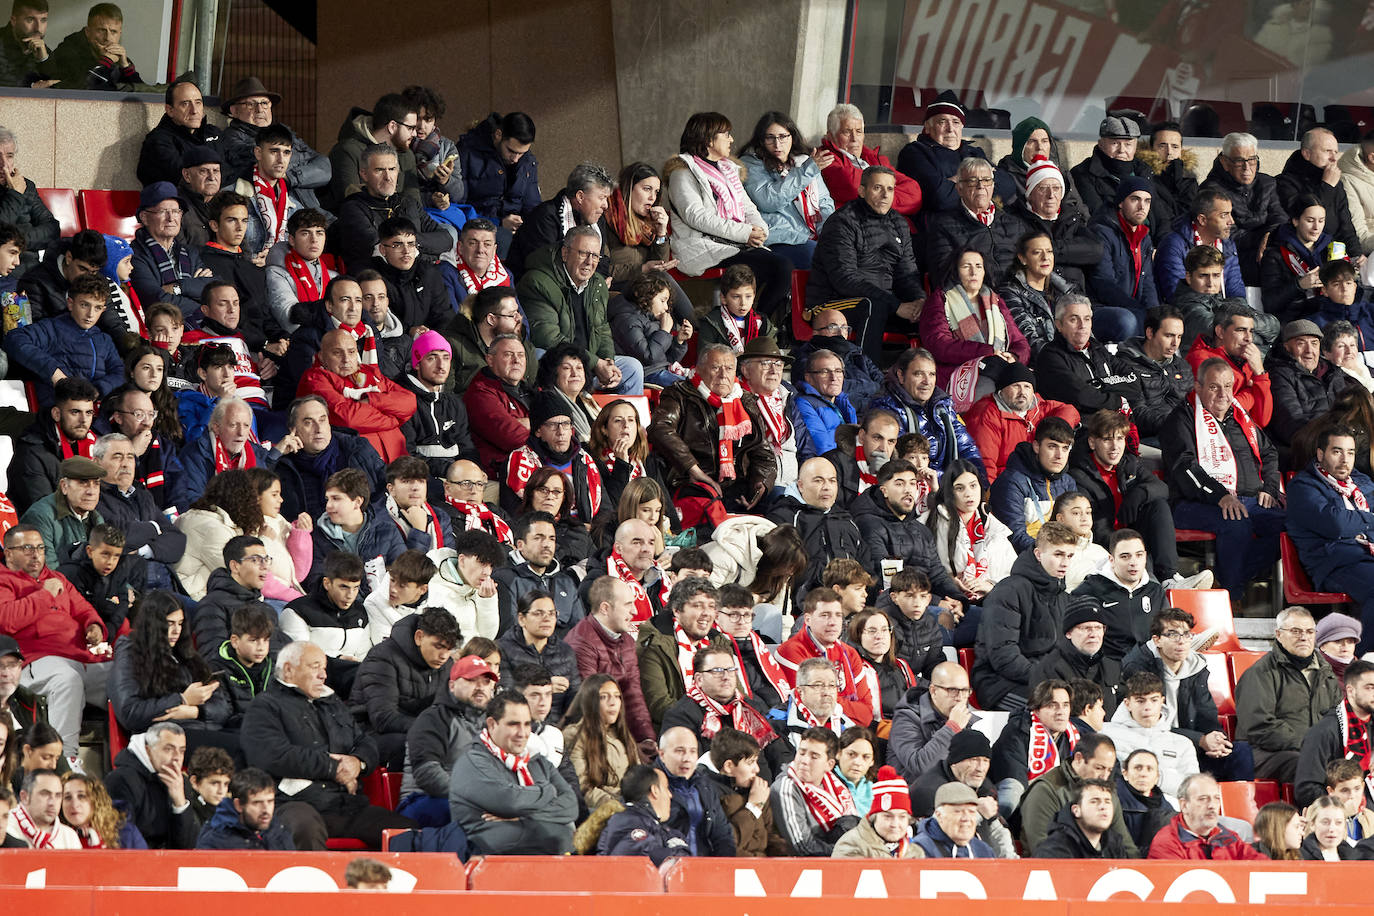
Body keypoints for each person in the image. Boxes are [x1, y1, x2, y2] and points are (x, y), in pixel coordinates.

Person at [242, 641, 412, 849]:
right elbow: (273, 756)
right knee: (304, 828)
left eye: (324, 668)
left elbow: (365, 742)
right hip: (292, 803)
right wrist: (334, 768)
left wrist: (358, 763)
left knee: (406, 832)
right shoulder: (265, 706)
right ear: (288, 669)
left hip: (344, 804)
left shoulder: (332, 702)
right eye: (315, 667)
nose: (323, 674)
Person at [1163, 356, 1284, 600]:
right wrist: (1220, 497)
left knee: (1293, 525)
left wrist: (1270, 488)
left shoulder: (1240, 417)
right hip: (1192, 502)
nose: (1222, 394)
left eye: (1228, 386)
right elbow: (1185, 468)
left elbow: (1269, 452)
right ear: (1198, 388)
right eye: (1214, 386)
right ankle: (1232, 595)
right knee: (1236, 523)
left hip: (1247, 499)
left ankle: (1225, 580)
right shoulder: (1181, 419)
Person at [663, 112, 793, 322]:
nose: (732, 139)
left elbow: (748, 208)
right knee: (779, 266)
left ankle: (751, 324)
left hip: (733, 244)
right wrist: (745, 233)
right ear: (708, 138)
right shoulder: (682, 173)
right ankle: (753, 325)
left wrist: (759, 230)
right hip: (703, 247)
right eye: (726, 134)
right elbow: (696, 216)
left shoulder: (728, 170)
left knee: (781, 267)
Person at [0, 523, 109, 763]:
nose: (36, 554)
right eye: (27, 548)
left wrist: (94, 626)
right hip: (34, 661)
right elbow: (6, 621)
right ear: (8, 553)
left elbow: (83, 609)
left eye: (40, 547)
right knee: (67, 679)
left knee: (124, 676)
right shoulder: (4, 580)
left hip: (78, 657)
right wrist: (44, 594)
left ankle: (132, 752)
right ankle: (63, 761)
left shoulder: (56, 577)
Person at [649, 344, 776, 524]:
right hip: (694, 484)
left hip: (737, 487)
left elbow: (762, 451)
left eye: (729, 368)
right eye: (716, 368)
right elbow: (660, 428)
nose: (723, 375)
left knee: (780, 501)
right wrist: (693, 469)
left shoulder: (744, 399)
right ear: (699, 369)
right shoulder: (680, 394)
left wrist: (761, 483)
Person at [807, 166, 924, 358]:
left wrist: (919, 300)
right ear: (862, 191)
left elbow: (907, 273)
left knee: (934, 311)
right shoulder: (843, 221)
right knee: (872, 306)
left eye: (890, 189)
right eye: (878, 188)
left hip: (884, 300)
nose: (885, 195)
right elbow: (845, 280)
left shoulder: (899, 223)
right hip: (832, 302)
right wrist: (895, 305)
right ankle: (868, 376)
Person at [448, 690, 577, 855]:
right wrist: (548, 790)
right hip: (481, 852)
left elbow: (571, 805)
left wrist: (524, 818)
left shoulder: (537, 761)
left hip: (528, 851)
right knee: (558, 835)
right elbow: (510, 801)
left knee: (563, 835)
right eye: (513, 724)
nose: (522, 733)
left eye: (527, 724)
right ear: (492, 724)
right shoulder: (472, 762)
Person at [971, 520, 1078, 711]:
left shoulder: (1064, 598)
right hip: (1000, 684)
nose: (1066, 563)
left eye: (1070, 556)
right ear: (1038, 554)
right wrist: (1048, 681)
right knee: (1058, 711)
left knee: (1091, 705)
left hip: (1048, 683)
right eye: (1058, 554)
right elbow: (1003, 656)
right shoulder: (1009, 590)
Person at [1288, 425, 1374, 652]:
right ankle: (1360, 662)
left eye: (1351, 453)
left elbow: (1345, 522)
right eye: (1337, 452)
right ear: (1320, 454)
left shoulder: (1362, 483)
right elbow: (1334, 524)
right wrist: (1368, 520)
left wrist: (1357, 523)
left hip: (1366, 556)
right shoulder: (1303, 486)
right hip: (1335, 562)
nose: (1345, 460)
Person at [108, 590, 230, 744]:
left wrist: (195, 711)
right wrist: (182, 699)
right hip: (163, 738)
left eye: (180, 623)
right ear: (153, 624)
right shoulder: (131, 652)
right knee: (242, 749)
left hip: (200, 727)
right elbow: (130, 713)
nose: (176, 631)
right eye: (169, 623)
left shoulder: (185, 653)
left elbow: (223, 707)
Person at [1235, 606, 1341, 784]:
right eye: (1295, 631)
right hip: (1265, 752)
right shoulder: (1260, 673)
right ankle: (1315, 811)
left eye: (1309, 631)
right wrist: (1310, 746)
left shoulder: (1326, 673)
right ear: (1278, 634)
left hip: (1314, 751)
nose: (1304, 637)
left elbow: (1338, 718)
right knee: (1307, 766)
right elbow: (1259, 726)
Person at [350, 606, 459, 770]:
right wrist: (431, 729)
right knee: (424, 743)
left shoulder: (446, 665)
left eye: (449, 649)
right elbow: (383, 718)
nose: (444, 655)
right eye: (438, 646)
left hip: (416, 728)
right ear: (419, 637)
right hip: (367, 734)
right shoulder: (383, 657)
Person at [397, 653, 496, 827]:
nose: (480, 687)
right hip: (422, 801)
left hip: (472, 801)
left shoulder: (494, 722)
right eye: (472, 680)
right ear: (452, 685)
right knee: (475, 816)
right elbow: (427, 773)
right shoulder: (432, 718)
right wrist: (473, 798)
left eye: (486, 682)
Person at [919, 246, 1030, 395]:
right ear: (955, 271)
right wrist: (986, 353)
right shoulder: (941, 299)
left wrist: (1014, 356)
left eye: (978, 266)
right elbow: (938, 344)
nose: (974, 272)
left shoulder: (995, 300)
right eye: (966, 266)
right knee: (989, 390)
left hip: (1000, 368)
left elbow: (1020, 343)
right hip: (959, 374)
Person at [296, 327, 416, 463]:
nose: (346, 359)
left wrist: (371, 400)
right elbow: (348, 418)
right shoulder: (315, 378)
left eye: (351, 352)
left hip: (399, 460)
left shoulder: (369, 371)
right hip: (359, 466)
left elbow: (410, 401)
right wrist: (394, 419)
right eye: (337, 353)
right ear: (322, 357)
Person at [6, 273, 123, 409]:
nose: (90, 314)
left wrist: (97, 390)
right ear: (70, 303)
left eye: (97, 308)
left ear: (103, 310)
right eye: (85, 305)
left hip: (93, 414)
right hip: (54, 412)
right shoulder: (52, 328)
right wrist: (54, 372)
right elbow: (14, 339)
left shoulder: (104, 340)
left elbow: (119, 372)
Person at [565, 576, 657, 747]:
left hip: (618, 732)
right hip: (591, 738)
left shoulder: (627, 640)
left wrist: (646, 739)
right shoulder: (581, 642)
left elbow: (633, 694)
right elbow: (589, 705)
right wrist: (629, 746)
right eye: (628, 605)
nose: (635, 612)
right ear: (605, 608)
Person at [737, 111, 834, 270]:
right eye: (770, 138)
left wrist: (828, 235)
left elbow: (824, 204)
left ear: (792, 137)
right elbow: (769, 201)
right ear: (761, 140)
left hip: (808, 237)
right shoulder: (750, 164)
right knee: (816, 258)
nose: (777, 144)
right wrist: (806, 172)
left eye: (783, 137)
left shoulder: (803, 162)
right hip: (776, 238)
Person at [335, 144, 450, 274]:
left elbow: (446, 239)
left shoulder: (408, 203)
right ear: (364, 174)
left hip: (417, 276)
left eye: (392, 169)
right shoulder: (352, 208)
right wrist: (424, 252)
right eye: (379, 170)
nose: (388, 177)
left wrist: (411, 243)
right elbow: (381, 252)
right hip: (377, 281)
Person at [869, 347, 984, 476]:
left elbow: (967, 448)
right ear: (901, 376)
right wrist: (950, 481)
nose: (927, 381)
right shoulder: (885, 409)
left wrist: (978, 481)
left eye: (932, 374)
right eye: (918, 374)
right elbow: (898, 465)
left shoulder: (944, 406)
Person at [896, 90, 1011, 219]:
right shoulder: (915, 153)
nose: (950, 129)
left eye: (955, 122)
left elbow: (1007, 187)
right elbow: (939, 198)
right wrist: (983, 181)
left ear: (961, 126)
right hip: (942, 227)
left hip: (984, 225)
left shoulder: (974, 152)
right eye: (942, 122)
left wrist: (955, 181)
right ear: (928, 127)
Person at [1197, 132, 1286, 287]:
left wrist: (1268, 234)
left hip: (1266, 253)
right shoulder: (1211, 190)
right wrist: (1263, 238)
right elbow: (1227, 233)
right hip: (1232, 256)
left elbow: (1280, 218)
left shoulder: (1267, 183)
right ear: (1224, 162)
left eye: (1252, 160)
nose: (1247, 167)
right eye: (1239, 161)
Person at [923, 157, 1028, 288]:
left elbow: (1028, 267)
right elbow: (944, 278)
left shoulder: (1014, 224)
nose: (981, 186)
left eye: (986, 180)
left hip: (1015, 297)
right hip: (974, 300)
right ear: (959, 189)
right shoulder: (943, 226)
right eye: (972, 181)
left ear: (993, 186)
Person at [924, 458, 1016, 601]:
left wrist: (990, 586)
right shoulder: (932, 521)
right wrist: (947, 582)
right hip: (947, 600)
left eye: (973, 486)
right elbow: (923, 569)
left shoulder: (994, 526)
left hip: (992, 602)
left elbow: (1013, 577)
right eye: (960, 488)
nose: (968, 493)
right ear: (949, 492)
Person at [103, 721, 201, 849]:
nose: (177, 757)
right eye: (168, 749)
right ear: (148, 750)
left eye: (181, 751)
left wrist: (180, 803)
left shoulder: (181, 783)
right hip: (137, 862)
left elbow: (186, 846)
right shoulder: (121, 780)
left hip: (171, 863)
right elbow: (122, 840)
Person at [988, 415, 1078, 554]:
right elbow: (1014, 536)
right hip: (1022, 562)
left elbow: (1075, 530)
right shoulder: (1011, 481)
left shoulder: (1068, 482)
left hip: (1060, 558)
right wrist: (1051, 555)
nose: (1059, 455)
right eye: (1052, 446)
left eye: (1065, 448)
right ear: (1036, 446)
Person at [1085, 176, 1159, 341]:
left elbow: (1148, 284)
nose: (1142, 206)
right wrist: (1139, 309)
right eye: (1135, 199)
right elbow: (1103, 284)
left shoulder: (1144, 236)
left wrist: (1156, 314)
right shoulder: (1101, 232)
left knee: (1164, 322)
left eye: (1147, 201)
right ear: (1120, 202)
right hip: (1100, 308)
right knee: (1128, 320)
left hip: (1132, 308)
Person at [507, 161, 613, 277]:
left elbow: (600, 260)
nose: (605, 205)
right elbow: (546, 267)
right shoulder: (545, 217)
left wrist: (600, 280)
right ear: (580, 197)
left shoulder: (598, 219)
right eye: (602, 198)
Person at [1295, 659, 1374, 809]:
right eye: (1370, 688)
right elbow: (1306, 790)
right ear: (1350, 690)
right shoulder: (1324, 732)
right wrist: (1343, 808)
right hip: (1340, 819)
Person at [816, 103, 921, 216]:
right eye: (847, 132)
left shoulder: (874, 158)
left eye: (859, 131)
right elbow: (852, 186)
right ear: (831, 136)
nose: (854, 138)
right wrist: (890, 193)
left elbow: (914, 194)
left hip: (890, 225)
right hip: (860, 226)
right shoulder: (825, 159)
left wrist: (877, 198)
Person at [770, 725, 859, 856]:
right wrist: (847, 853)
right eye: (802, 753)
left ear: (829, 765)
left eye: (814, 756)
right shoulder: (786, 787)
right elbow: (802, 846)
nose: (804, 761)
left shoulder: (836, 784)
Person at [456, 111, 541, 246]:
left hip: (515, 229)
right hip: (479, 227)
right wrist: (499, 223)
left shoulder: (527, 161)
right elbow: (459, 207)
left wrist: (526, 224)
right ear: (498, 135)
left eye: (522, 153)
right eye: (511, 151)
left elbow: (533, 206)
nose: (516, 159)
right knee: (505, 240)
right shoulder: (467, 152)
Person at [887, 660, 978, 783]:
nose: (960, 697)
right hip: (913, 793)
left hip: (950, 793)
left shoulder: (962, 719)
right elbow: (920, 766)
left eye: (965, 691)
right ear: (933, 690)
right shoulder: (906, 718)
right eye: (952, 690)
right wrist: (952, 728)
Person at [1187, 299, 1276, 426]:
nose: (1249, 338)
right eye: (1240, 330)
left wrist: (1260, 372)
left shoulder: (1247, 361)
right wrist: (1250, 393)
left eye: (1251, 331)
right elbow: (1221, 415)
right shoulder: (1201, 359)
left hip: (1246, 438)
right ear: (1220, 332)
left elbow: (1262, 420)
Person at [496, 587, 580, 720]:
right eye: (538, 613)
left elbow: (575, 698)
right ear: (521, 619)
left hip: (558, 729)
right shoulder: (502, 649)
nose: (547, 619)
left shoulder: (565, 651)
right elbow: (504, 695)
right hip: (519, 724)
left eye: (551, 614)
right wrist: (544, 688)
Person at [562, 674, 640, 811]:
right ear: (590, 701)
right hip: (596, 811)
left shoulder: (623, 735)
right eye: (604, 697)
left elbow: (638, 778)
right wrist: (618, 806)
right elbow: (582, 788)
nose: (613, 702)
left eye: (617, 696)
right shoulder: (574, 735)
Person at [1277, 127, 1361, 255]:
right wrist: (1326, 187)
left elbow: (1346, 226)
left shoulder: (1334, 182)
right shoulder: (1286, 182)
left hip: (1336, 254)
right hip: (1302, 255)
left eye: (1335, 152)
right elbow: (1302, 219)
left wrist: (1356, 254)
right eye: (1327, 151)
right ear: (1307, 154)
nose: (1334, 158)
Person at [1267, 318, 1346, 450]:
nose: (1309, 350)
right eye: (1301, 344)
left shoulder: (1332, 372)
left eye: (1314, 343)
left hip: (1343, 443)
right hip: (1310, 449)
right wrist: (1330, 441)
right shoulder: (1279, 375)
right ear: (1287, 347)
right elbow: (1291, 424)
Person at [1148, 772, 1267, 859]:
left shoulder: (1229, 836)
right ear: (1184, 805)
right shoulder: (1166, 842)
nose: (1212, 805)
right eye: (1203, 799)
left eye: (1216, 799)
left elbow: (1259, 866)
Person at [608, 271, 691, 390]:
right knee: (690, 389)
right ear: (645, 297)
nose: (666, 307)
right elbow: (649, 358)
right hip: (648, 375)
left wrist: (679, 342)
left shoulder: (652, 321)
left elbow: (667, 361)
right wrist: (664, 332)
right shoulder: (627, 320)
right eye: (662, 301)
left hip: (660, 371)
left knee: (701, 385)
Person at [1261, 195, 1336, 325]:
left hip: (1331, 315)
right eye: (1310, 220)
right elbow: (1270, 303)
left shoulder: (1331, 248)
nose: (1316, 227)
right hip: (1295, 321)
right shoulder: (1276, 254)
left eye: (1321, 221)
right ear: (1295, 221)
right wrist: (1299, 285)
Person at [1155, 192, 1244, 301]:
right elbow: (1178, 295)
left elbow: (1235, 290)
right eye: (1224, 215)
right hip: (1189, 313)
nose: (1231, 221)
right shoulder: (1173, 245)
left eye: (1230, 214)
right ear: (1202, 220)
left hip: (1221, 311)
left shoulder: (1227, 244)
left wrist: (1240, 313)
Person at [596, 763, 691, 862]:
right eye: (666, 788)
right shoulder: (628, 822)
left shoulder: (652, 824)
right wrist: (679, 848)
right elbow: (661, 860)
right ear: (655, 791)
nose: (670, 795)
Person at [1072, 116, 1159, 222]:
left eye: (1128, 144)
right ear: (1101, 144)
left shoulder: (1145, 171)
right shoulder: (1083, 173)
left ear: (1136, 147)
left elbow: (1160, 215)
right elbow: (1098, 216)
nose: (1121, 150)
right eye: (1115, 143)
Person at [137, 77, 219, 187]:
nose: (194, 111)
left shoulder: (213, 133)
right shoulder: (158, 141)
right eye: (185, 104)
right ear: (170, 110)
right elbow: (185, 178)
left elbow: (230, 167)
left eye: (198, 103)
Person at [38, 3, 141, 90]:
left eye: (113, 32)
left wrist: (125, 66)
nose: (108, 38)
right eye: (102, 30)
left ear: (120, 34)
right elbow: (81, 90)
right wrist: (106, 62)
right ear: (87, 32)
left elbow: (144, 94)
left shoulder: (117, 58)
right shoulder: (68, 52)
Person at [195, 766, 294, 850]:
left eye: (270, 801)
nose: (266, 809)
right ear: (238, 805)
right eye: (257, 803)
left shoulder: (279, 832)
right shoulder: (215, 839)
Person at [1033, 778, 1130, 858]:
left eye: (1107, 801)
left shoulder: (1115, 844)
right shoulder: (1054, 848)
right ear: (1076, 810)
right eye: (1094, 801)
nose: (1103, 806)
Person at [912, 781, 998, 858]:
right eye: (958, 811)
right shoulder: (920, 851)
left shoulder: (984, 851)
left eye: (971, 811)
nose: (966, 818)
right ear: (939, 815)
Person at [63, 770, 146, 849]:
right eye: (67, 797)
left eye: (82, 796)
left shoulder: (125, 833)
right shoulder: (56, 836)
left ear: (96, 800)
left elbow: (146, 862)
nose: (74, 805)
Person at [1117, 748, 1177, 852]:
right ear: (1125, 773)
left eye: (1149, 769)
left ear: (1157, 777)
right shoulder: (1112, 803)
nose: (1143, 774)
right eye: (1138, 768)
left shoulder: (1168, 810)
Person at [7, 769, 80, 848]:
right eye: (45, 794)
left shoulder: (69, 836)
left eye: (58, 795)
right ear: (24, 797)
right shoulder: (5, 826)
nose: (52, 803)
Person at [0, 1, 49, 89]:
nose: (38, 28)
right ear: (13, 21)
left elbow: (60, 82)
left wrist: (43, 60)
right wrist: (31, 87)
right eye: (30, 20)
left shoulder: (42, 48)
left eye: (43, 20)